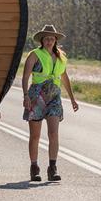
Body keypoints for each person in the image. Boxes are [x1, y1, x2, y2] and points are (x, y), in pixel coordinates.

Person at [21, 24, 78, 182]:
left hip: (54, 97)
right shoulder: (34, 55)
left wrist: (72, 99)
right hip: (36, 96)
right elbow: (25, 77)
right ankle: (34, 167)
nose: (49, 41)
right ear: (42, 40)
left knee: (53, 133)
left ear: (55, 40)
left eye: (52, 39)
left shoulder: (61, 57)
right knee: (35, 135)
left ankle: (52, 168)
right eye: (46, 39)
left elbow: (64, 77)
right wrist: (25, 95)